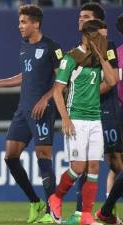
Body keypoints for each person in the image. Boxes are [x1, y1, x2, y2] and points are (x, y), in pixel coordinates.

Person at [0, 4, 62, 223]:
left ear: (36, 23)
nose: (19, 26)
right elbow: (25, 75)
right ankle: (35, 202)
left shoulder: (52, 47)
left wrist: (45, 98)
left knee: (43, 157)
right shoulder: (24, 46)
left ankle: (53, 213)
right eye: (19, 22)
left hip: (42, 110)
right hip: (23, 110)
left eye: (23, 22)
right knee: (10, 156)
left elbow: (63, 83)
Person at [48, 19, 117, 225]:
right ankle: (56, 197)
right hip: (76, 118)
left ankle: (86, 216)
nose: (101, 41)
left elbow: (112, 81)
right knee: (78, 168)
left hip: (95, 118)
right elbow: (57, 91)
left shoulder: (98, 59)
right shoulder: (71, 58)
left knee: (94, 167)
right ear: (87, 36)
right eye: (97, 37)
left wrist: (102, 57)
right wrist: (66, 119)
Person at [65, 3, 122, 224]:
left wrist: (84, 95)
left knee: (116, 163)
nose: (81, 20)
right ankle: (84, 213)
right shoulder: (78, 51)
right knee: (86, 162)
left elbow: (111, 81)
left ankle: (104, 211)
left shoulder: (108, 46)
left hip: (106, 109)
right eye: (80, 17)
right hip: (87, 113)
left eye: (87, 17)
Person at [95, 13, 123, 225]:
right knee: (114, 163)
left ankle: (106, 210)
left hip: (117, 111)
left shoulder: (117, 52)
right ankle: (105, 210)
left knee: (115, 164)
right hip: (115, 112)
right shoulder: (115, 53)